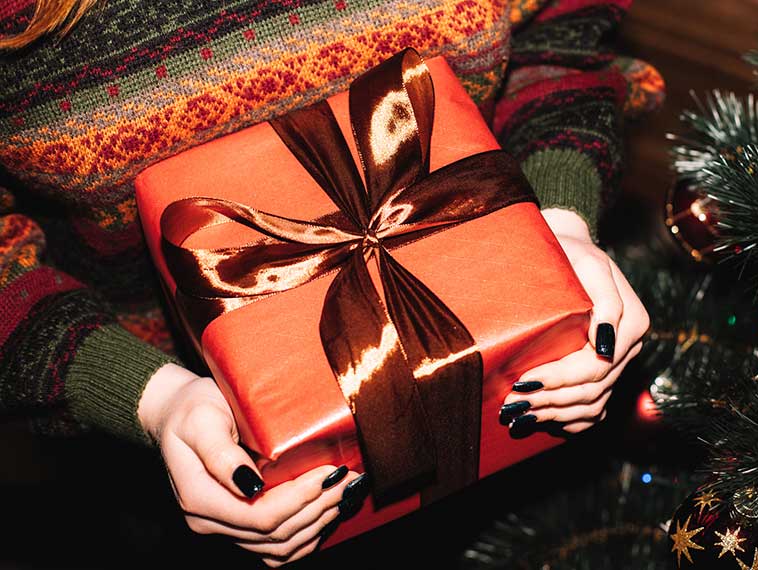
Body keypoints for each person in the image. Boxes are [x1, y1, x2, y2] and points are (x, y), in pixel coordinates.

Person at [0, 0, 658, 566]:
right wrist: (151, 399)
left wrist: (563, 224)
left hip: (518, 384)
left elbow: (557, 33)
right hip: (177, 451)